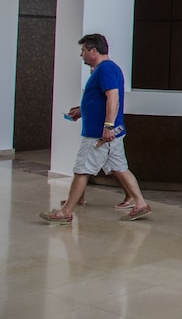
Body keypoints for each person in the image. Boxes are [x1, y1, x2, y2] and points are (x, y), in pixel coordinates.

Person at [41, 34, 152, 223]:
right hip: (109, 132)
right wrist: (82, 110)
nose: (81, 55)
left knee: (82, 170)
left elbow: (113, 98)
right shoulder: (104, 69)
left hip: (98, 135)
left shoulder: (105, 69)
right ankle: (140, 204)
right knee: (119, 168)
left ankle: (65, 213)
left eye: (83, 50)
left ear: (94, 51)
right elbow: (100, 100)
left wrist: (108, 126)